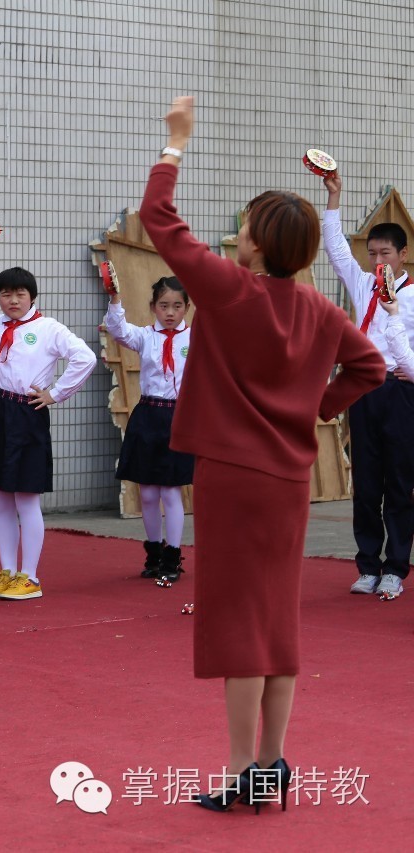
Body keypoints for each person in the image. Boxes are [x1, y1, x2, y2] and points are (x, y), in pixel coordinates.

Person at [140, 96, 385, 812]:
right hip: (287, 476)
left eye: (245, 223)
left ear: (257, 243)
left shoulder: (230, 289)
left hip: (231, 475)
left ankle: (240, 767)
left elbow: (161, 223)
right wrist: (315, 407)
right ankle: (273, 762)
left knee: (237, 620)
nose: (238, 230)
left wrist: (176, 145)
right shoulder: (320, 309)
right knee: (277, 618)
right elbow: (368, 369)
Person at [0, 235, 96, 600]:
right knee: (0, 495)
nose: (13, 300)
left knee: (25, 497)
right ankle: (7, 571)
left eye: (20, 294)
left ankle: (30, 577)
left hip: (27, 412)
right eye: (5, 294)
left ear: (32, 297)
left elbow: (85, 358)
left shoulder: (49, 329)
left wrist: (55, 393)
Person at [321, 170, 413, 600]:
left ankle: (396, 567)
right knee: (367, 480)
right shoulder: (362, 283)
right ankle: (367, 565)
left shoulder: (412, 297)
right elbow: (336, 250)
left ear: (403, 255)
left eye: (386, 253)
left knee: (398, 480)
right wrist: (334, 198)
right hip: (363, 390)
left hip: (399, 391)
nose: (378, 260)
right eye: (372, 252)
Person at [104, 276, 194, 582]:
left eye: (177, 306)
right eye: (164, 305)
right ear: (153, 307)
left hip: (179, 417)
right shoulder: (145, 336)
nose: (170, 312)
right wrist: (115, 299)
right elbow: (118, 331)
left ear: (187, 308)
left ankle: (173, 556)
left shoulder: (195, 338)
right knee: (147, 492)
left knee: (171, 490)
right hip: (148, 415)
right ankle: (153, 553)